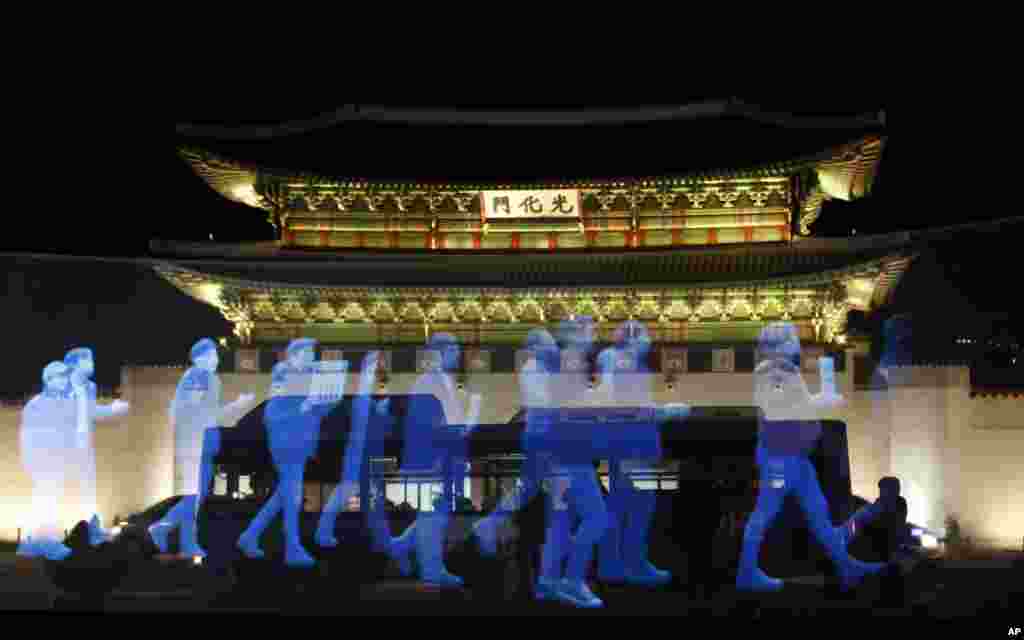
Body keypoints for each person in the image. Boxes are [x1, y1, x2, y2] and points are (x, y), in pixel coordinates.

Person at [736, 322, 886, 592]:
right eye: (792, 338)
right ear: (780, 344)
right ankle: (746, 572)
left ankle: (847, 567)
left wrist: (821, 399)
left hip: (797, 458)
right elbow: (778, 407)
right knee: (764, 514)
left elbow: (794, 405)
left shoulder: (785, 372)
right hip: (780, 459)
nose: (797, 343)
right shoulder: (772, 373)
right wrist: (819, 401)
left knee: (819, 514)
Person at [594, 320, 689, 587]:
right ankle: (626, 563)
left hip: (635, 444)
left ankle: (620, 563)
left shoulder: (629, 365)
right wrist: (666, 412)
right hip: (629, 445)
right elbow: (624, 408)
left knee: (631, 506)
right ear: (633, 339)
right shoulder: (621, 364)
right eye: (644, 335)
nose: (649, 340)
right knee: (632, 506)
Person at [472, 328, 563, 600]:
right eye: (548, 345)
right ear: (536, 347)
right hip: (542, 436)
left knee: (533, 487)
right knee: (542, 486)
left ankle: (490, 523)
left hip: (543, 436)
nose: (553, 348)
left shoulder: (540, 370)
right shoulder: (533, 370)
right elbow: (545, 404)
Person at [236, 338, 341, 567]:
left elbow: (318, 410)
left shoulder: (307, 378)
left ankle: (249, 536)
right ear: (294, 356)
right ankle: (292, 547)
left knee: (283, 495)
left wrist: (330, 398)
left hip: (300, 443)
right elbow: (273, 414)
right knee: (291, 496)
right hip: (286, 445)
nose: (312, 357)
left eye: (313, 352)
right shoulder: (284, 376)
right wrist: (302, 407)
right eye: (307, 353)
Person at [388, 333, 482, 587]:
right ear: (439, 352)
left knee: (433, 515)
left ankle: (400, 547)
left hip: (438, 459)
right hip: (431, 461)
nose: (457, 354)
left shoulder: (440, 381)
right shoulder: (429, 382)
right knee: (434, 517)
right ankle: (432, 570)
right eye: (453, 348)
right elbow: (430, 426)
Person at [149, 338, 255, 558]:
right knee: (193, 494)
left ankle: (163, 527)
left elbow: (208, 412)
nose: (216, 360)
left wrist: (237, 406)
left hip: (202, 442)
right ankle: (186, 542)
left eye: (216, 355)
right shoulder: (197, 376)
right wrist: (235, 406)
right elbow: (194, 411)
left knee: (196, 495)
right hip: (194, 442)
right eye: (212, 356)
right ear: (199, 358)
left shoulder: (209, 378)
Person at [315, 350, 384, 548]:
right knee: (348, 490)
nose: (378, 369)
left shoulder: (364, 395)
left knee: (364, 492)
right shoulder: (362, 391)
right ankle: (323, 531)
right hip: (358, 451)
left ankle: (326, 531)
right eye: (374, 365)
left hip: (360, 451)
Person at [63, 347, 130, 546]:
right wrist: (112, 409)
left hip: (85, 444)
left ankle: (90, 527)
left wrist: (112, 410)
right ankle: (78, 531)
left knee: (88, 485)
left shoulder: (90, 387)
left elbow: (90, 412)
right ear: (75, 364)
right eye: (88, 359)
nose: (92, 363)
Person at [17, 362, 78, 561]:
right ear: (49, 380)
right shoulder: (35, 405)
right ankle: (41, 543)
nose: (64, 381)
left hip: (57, 463)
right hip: (43, 463)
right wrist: (32, 464)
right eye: (60, 377)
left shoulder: (62, 404)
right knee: (44, 502)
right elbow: (27, 438)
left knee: (53, 503)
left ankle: (45, 542)